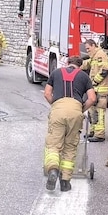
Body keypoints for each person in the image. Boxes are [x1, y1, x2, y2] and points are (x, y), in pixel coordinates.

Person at [43, 56, 97, 192]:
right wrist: (81, 109)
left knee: (54, 145)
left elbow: (47, 93)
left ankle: (53, 170)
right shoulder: (84, 76)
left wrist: (55, 105)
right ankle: (65, 181)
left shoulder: (56, 73)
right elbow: (92, 98)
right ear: (80, 66)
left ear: (68, 63)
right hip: (75, 110)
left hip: (58, 110)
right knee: (70, 146)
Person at [80, 38, 108, 142]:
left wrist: (94, 82)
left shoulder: (100, 54)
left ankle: (99, 135)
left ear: (94, 45)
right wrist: (76, 65)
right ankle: (93, 131)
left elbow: (105, 70)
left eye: (88, 48)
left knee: (99, 112)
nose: (87, 51)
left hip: (101, 89)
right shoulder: (94, 56)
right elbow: (87, 64)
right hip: (95, 89)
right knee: (92, 111)